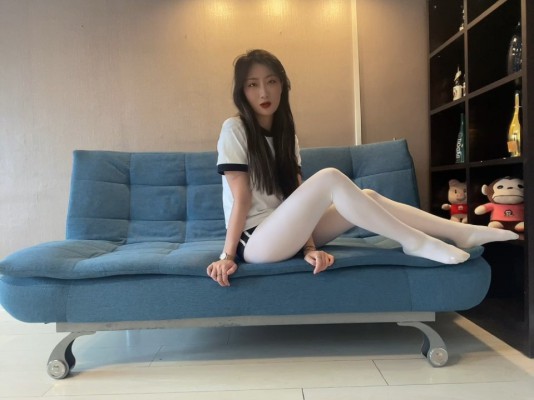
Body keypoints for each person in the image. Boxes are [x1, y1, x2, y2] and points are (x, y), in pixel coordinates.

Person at [207, 49, 518, 287]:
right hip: (255, 241)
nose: (263, 92)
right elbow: (241, 198)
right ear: (242, 91)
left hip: (287, 232)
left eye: (271, 82)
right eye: (253, 85)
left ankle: (460, 232)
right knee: (330, 178)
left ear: (282, 86)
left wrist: (308, 248)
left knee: (368, 195)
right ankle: (415, 242)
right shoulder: (235, 129)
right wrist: (227, 256)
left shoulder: (287, 135)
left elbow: (296, 196)